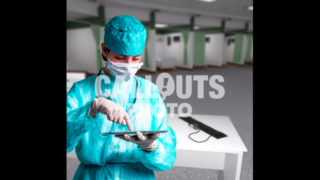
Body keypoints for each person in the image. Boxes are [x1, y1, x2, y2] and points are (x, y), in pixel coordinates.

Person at [66, 15, 177, 180]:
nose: (128, 65)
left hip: (138, 175)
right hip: (93, 175)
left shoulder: (150, 92)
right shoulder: (81, 91)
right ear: (105, 50)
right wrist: (91, 109)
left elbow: (167, 157)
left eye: (136, 59)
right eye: (120, 58)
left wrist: (151, 147)